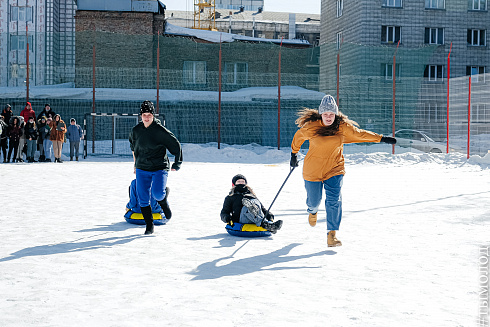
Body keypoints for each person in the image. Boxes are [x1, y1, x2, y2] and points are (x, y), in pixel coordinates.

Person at [290, 95, 396, 247]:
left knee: (334, 201)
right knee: (314, 201)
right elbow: (298, 137)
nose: (328, 117)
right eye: (325, 114)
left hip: (335, 168)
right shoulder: (311, 127)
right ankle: (312, 211)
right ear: (321, 114)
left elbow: (359, 134)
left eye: (331, 114)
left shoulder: (342, 127)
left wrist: (381, 138)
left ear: (336, 114)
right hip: (313, 169)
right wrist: (294, 154)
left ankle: (331, 234)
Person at [129, 100, 183, 235]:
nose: (147, 117)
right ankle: (149, 225)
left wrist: (177, 163)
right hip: (142, 167)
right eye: (144, 115)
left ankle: (163, 202)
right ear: (140, 116)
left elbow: (175, 145)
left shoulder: (160, 131)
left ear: (153, 115)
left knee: (157, 193)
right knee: (143, 198)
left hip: (159, 167)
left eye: (149, 115)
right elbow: (134, 149)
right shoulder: (136, 131)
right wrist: (135, 164)